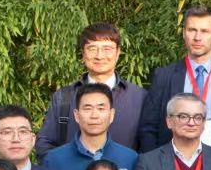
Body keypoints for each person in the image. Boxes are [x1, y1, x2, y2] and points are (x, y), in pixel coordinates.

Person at [137, 4, 211, 153]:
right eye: (192, 30)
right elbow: (148, 128)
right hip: (173, 160)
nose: (197, 37)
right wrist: (155, 163)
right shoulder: (164, 76)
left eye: (204, 31)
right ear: (184, 33)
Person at [36, 21, 146, 154]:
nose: (99, 56)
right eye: (92, 48)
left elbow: (150, 147)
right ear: (83, 53)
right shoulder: (64, 97)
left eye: (107, 49)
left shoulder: (139, 97)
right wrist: (62, 165)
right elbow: (45, 142)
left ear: (118, 53)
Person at [42, 83, 140, 170]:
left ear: (111, 115)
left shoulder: (130, 159)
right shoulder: (54, 160)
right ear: (76, 115)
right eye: (87, 108)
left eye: (101, 108)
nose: (94, 115)